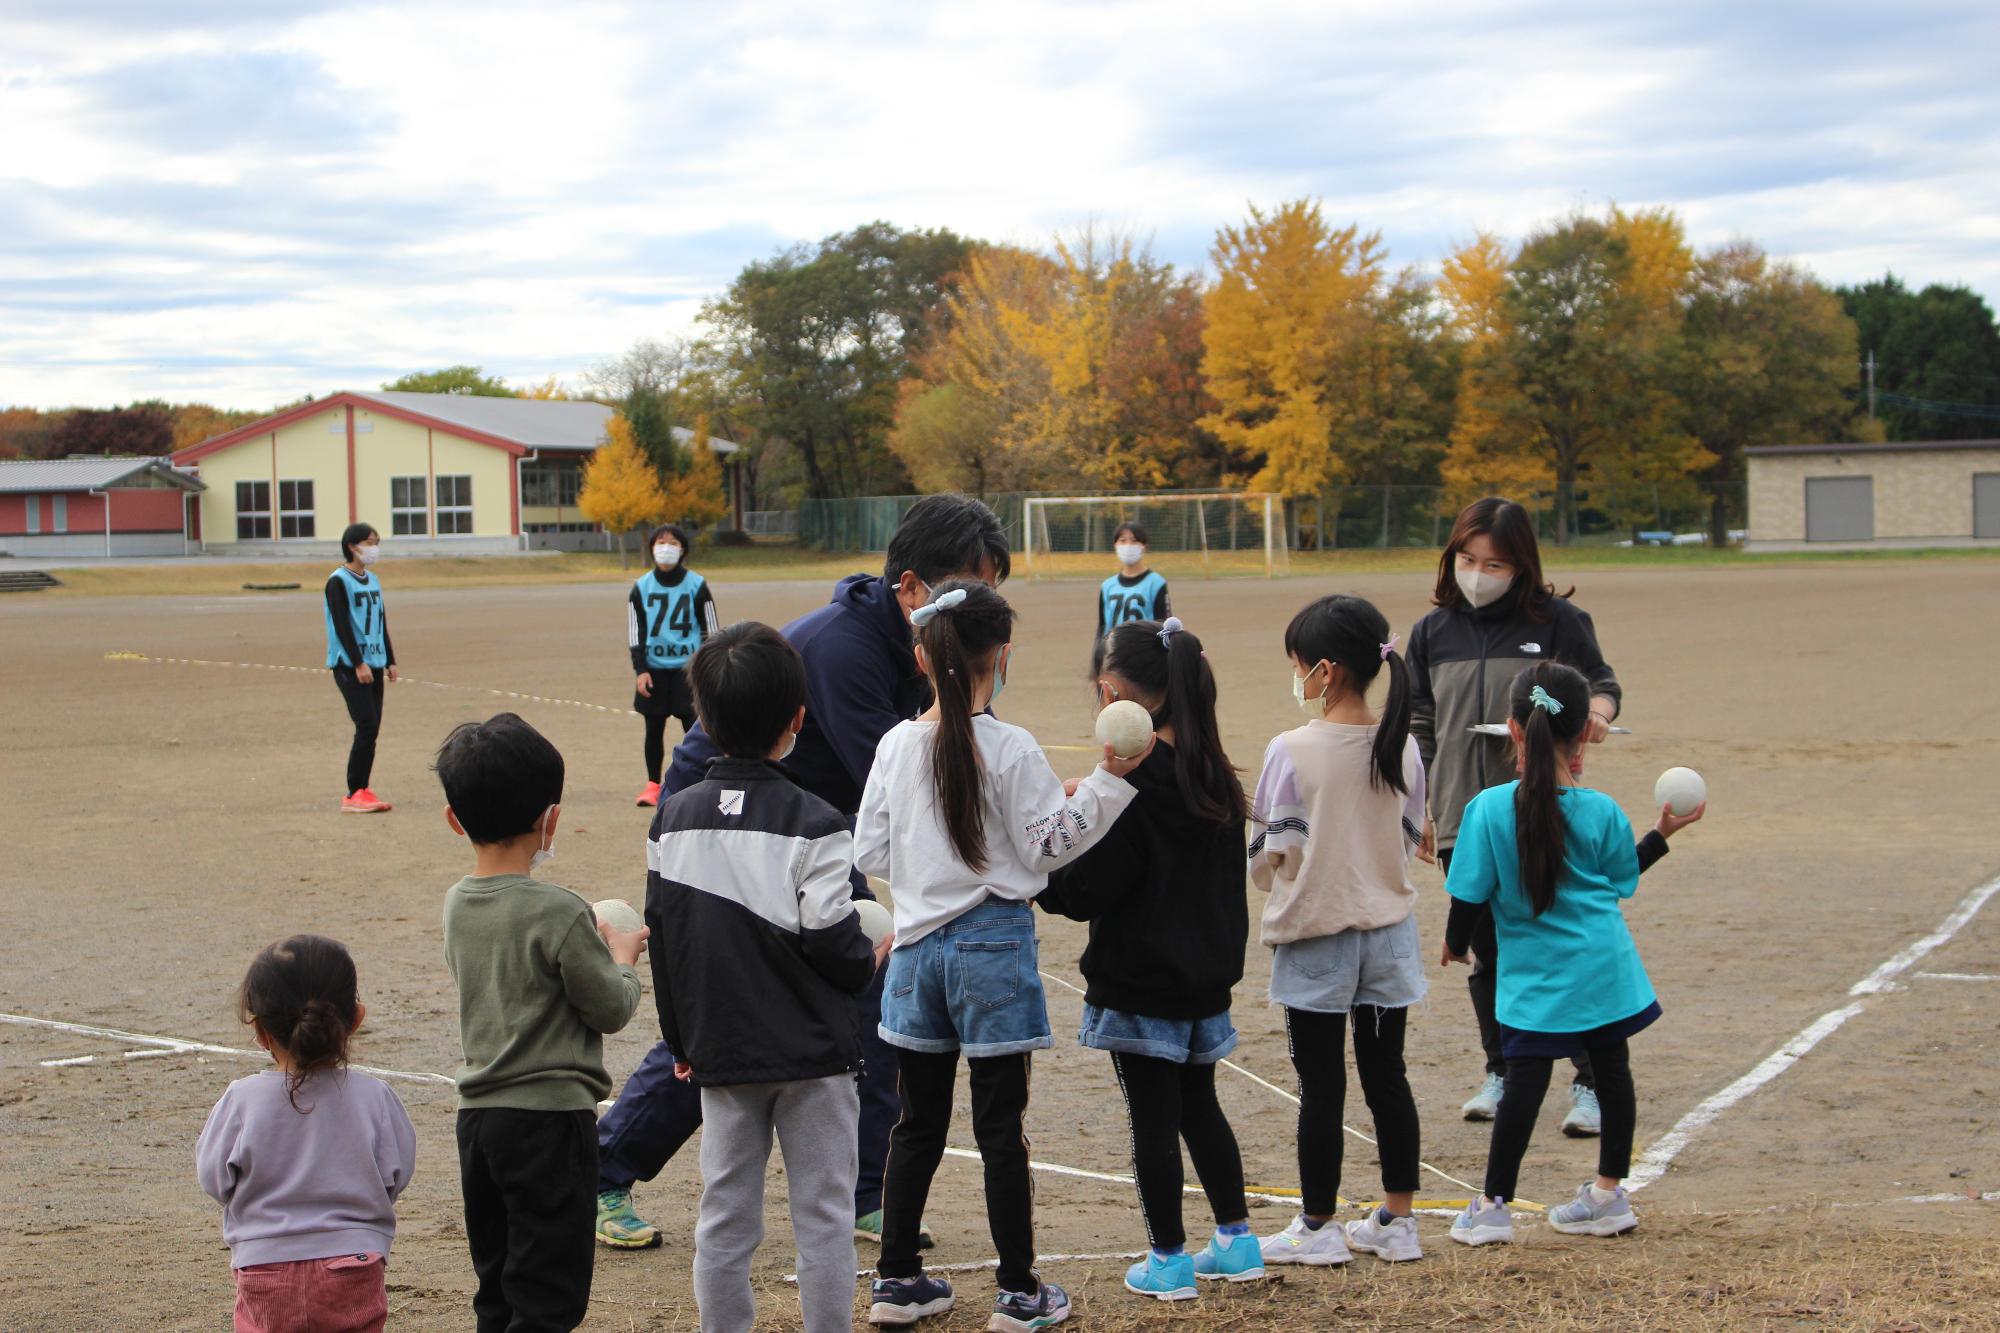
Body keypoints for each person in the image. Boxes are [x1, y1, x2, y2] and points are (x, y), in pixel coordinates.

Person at [593, 493, 1010, 1253]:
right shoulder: (847, 650)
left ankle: (863, 1192)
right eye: (967, 588)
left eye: (990, 590)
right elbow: (901, 781)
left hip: (801, 828)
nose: (981, 606)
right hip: (721, 818)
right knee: (734, 1011)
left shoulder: (920, 643)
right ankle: (603, 1167)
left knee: (871, 990)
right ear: (911, 586)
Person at [859, 581, 1147, 1331]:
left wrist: (924, 876)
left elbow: (870, 848)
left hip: (917, 952)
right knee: (999, 1127)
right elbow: (1046, 846)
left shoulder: (895, 744)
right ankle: (1019, 1292)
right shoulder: (1013, 746)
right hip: (992, 945)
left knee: (915, 1122)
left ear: (924, 656)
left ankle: (896, 1280)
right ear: (1002, 655)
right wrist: (1107, 784)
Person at [649, 622, 893, 1333]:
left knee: (724, 1216)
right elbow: (829, 934)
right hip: (815, 1052)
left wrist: (680, 1040)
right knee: (823, 1215)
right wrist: (865, 960)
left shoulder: (672, 821)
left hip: (720, 1049)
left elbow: (666, 940)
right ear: (796, 722)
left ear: (703, 719)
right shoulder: (816, 822)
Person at [1037, 616, 1261, 1301]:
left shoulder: (1134, 789)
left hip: (1142, 982)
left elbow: (1084, 891)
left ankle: (1168, 1258)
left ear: (1113, 696)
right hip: (1203, 981)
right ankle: (1236, 1237)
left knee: (1154, 1120)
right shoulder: (1214, 773)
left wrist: (1048, 865)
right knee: (1200, 1104)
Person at [1443, 663, 1703, 1247]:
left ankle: (1491, 1208)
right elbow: (1620, 878)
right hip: (1604, 969)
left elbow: (1469, 892)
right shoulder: (1602, 810)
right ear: (1584, 732)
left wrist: (1455, 943)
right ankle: (1608, 1196)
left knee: (1523, 1082)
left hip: (1536, 980)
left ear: (1511, 729)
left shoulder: (1486, 809)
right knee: (1612, 1073)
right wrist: (1662, 833)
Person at [1407, 497, 1622, 1133]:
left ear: (1521, 564)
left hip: (1540, 812)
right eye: (1468, 559)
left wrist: (1600, 714)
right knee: (1488, 954)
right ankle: (1501, 1070)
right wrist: (1418, 806)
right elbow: (1420, 722)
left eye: (1495, 562)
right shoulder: (1431, 632)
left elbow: (1601, 683)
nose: (1478, 573)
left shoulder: (1558, 622)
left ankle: (1591, 1083)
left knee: (1558, 949)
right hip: (1462, 820)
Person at [437, 713, 648, 1332]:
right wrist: (624, 958)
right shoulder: (558, 911)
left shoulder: (456, 904)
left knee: (498, 1286)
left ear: (455, 820)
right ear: (549, 818)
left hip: (479, 1123)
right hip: (549, 1124)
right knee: (549, 1295)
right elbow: (610, 1007)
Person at [1250, 594, 1430, 1269]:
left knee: (1320, 1085)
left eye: (1298, 665)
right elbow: (1412, 837)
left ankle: (1319, 1224)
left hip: (1317, 934)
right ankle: (1399, 1220)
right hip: (1388, 932)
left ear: (1323, 670)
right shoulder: (1403, 746)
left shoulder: (1292, 748)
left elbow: (1269, 855)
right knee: (1388, 1077)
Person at [197, 935, 417, 1333]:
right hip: (354, 1263)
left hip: (265, 1265)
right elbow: (396, 1176)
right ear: (355, 1019)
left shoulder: (241, 1100)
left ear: (261, 1030)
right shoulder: (376, 1097)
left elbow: (214, 1180)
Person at [629, 523, 719, 808]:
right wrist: (640, 670)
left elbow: (711, 631)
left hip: (688, 671)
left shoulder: (697, 585)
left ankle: (703, 781)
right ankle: (653, 785)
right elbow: (636, 632)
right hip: (654, 670)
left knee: (696, 729)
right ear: (652, 547)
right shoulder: (641, 587)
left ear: (682, 549)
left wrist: (707, 669)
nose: (665, 548)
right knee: (653, 730)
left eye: (672, 542)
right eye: (660, 542)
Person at [325, 523, 398, 814]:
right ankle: (354, 792)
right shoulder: (338, 581)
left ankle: (363, 789)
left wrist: (390, 659)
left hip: (376, 662)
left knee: (373, 727)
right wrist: (358, 662)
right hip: (350, 665)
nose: (374, 548)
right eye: (370, 542)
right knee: (366, 725)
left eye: (377, 542)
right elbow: (341, 625)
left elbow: (381, 621)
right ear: (353, 546)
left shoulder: (374, 579)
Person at [1095, 521, 1170, 641]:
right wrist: (1098, 656)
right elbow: (1103, 626)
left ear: (1144, 546)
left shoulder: (1156, 583)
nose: (1128, 545)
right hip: (1114, 654)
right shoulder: (1107, 586)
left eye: (1134, 540)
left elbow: (1164, 625)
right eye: (1123, 540)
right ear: (1115, 545)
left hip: (1145, 653)